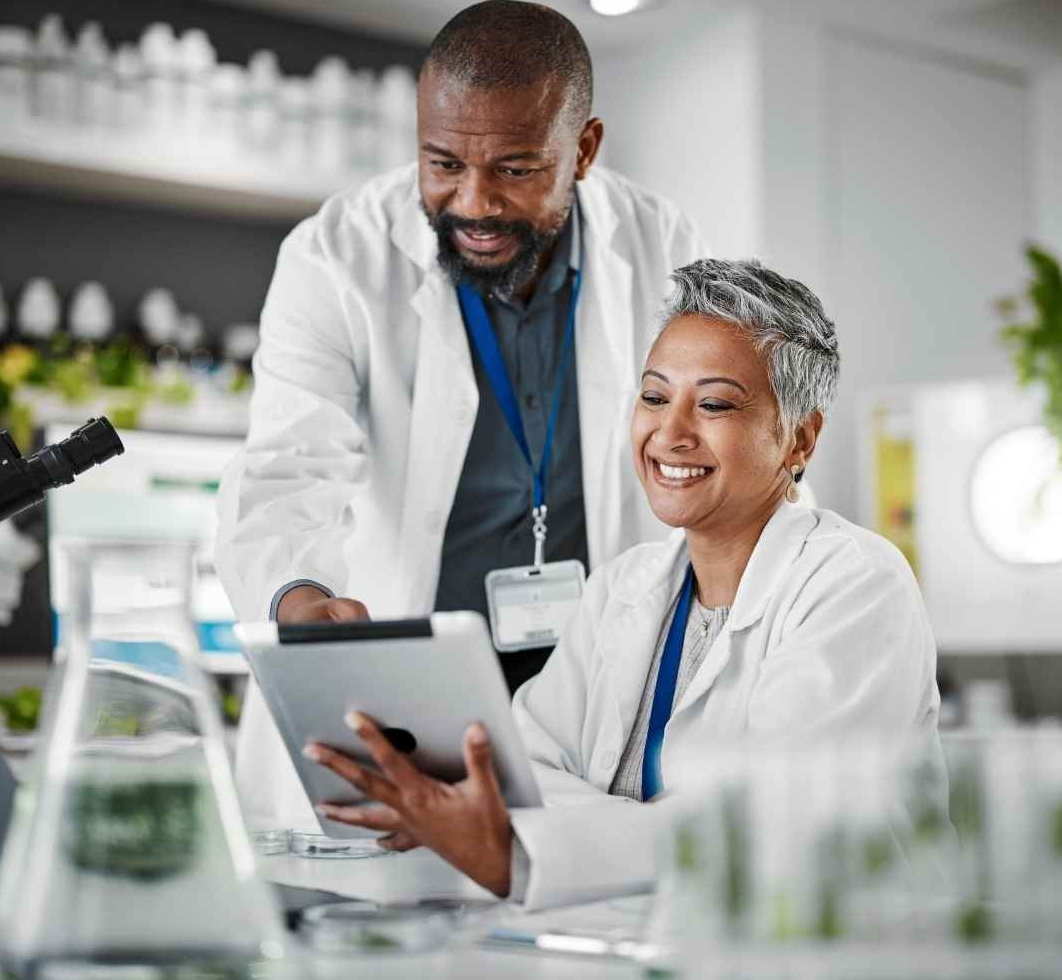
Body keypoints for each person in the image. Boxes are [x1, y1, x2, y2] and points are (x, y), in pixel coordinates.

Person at [305, 258, 944, 909]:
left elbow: (766, 827)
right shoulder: (623, 589)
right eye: (654, 396)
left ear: (799, 439)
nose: (670, 433)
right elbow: (524, 776)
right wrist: (569, 828)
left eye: (715, 404)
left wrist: (537, 842)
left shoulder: (856, 585)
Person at [217, 0, 709, 832]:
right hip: (407, 699)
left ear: (583, 149)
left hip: (588, 708)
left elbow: (706, 457)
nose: (472, 203)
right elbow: (287, 468)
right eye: (442, 162)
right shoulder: (335, 254)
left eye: (516, 169)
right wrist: (299, 596)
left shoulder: (662, 246)